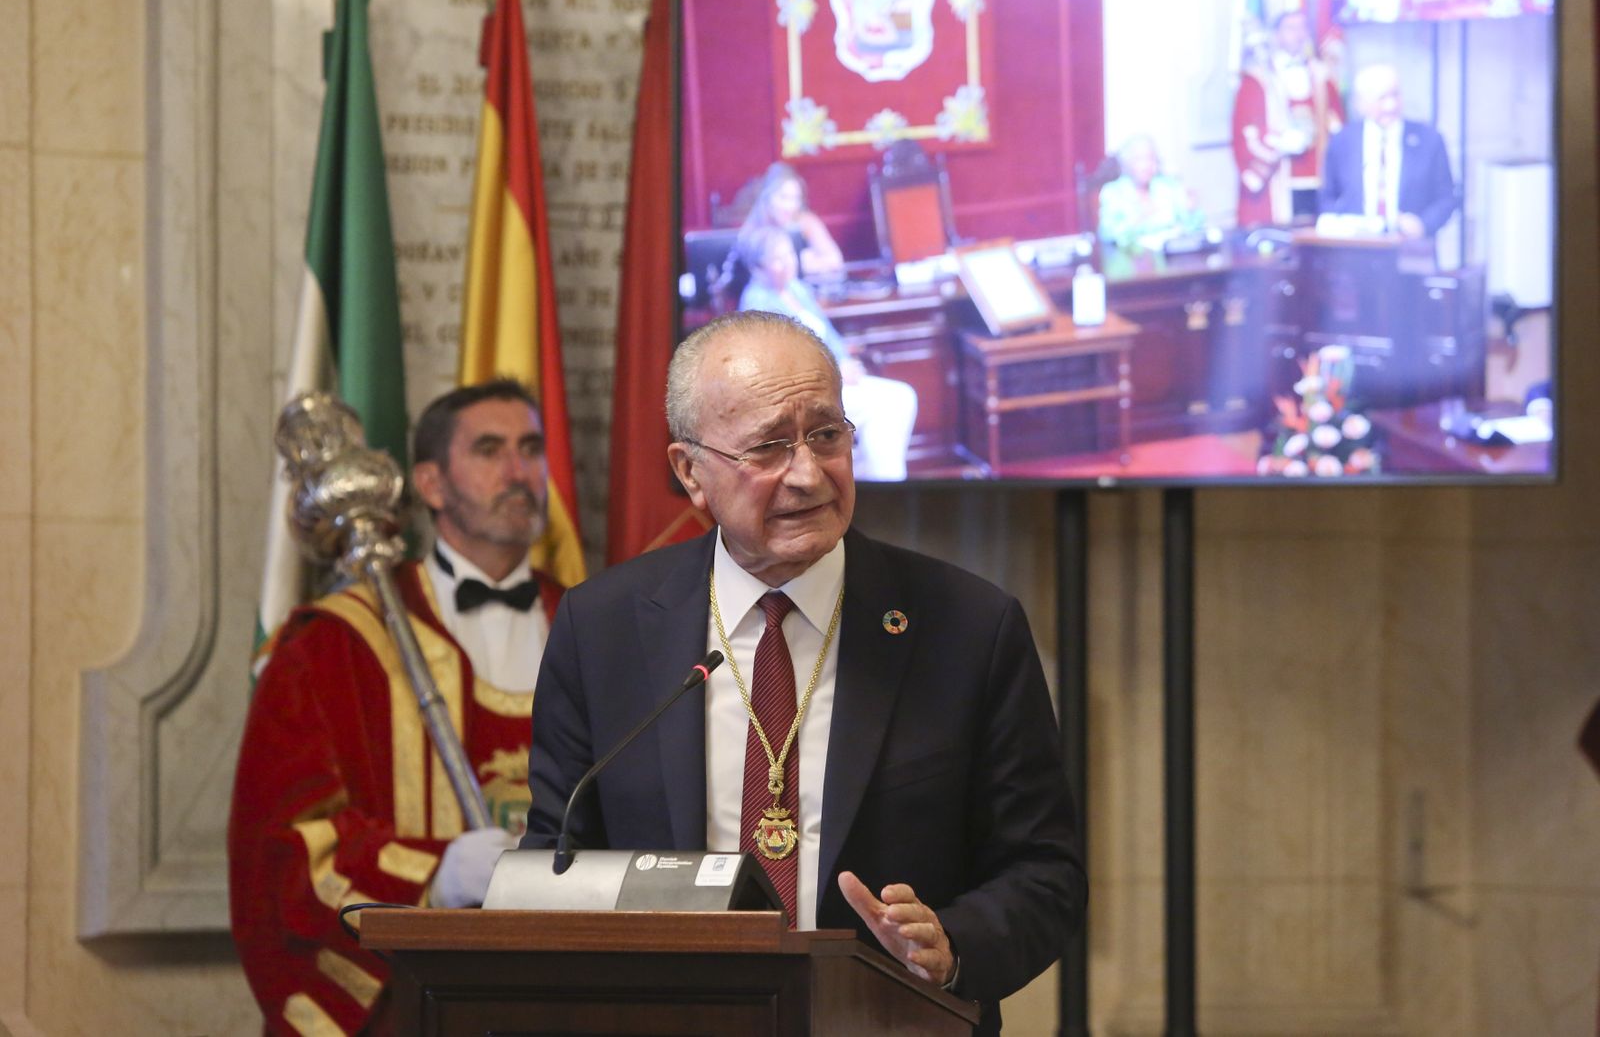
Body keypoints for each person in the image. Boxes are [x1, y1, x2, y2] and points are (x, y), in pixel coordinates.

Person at [523, 310, 1085, 1036]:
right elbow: (556, 863)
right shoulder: (602, 630)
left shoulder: (969, 628)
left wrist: (951, 946)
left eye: (826, 435)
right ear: (690, 472)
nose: (808, 474)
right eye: (768, 447)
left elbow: (1046, 873)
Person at [229, 379, 564, 1035]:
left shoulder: (600, 623)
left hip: (572, 994)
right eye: (490, 450)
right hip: (415, 1008)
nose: (519, 471)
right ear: (431, 485)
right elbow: (280, 851)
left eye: (531, 448)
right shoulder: (337, 644)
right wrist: (436, 873)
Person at [739, 225, 917, 481]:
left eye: (790, 254)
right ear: (757, 268)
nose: (788, 263)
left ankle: (876, 477)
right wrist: (835, 372)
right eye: (777, 259)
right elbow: (785, 364)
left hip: (832, 378)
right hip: (803, 394)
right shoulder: (757, 303)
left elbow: (830, 335)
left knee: (903, 396)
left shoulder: (796, 288)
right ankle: (885, 483)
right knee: (888, 405)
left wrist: (845, 361)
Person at [1232, 10, 1345, 227]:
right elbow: (1245, 129)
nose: (1298, 34)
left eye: (1302, 27)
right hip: (1279, 179)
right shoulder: (1257, 79)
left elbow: (1338, 122)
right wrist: (1279, 142)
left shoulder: (1323, 76)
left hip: (1316, 175)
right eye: (1290, 28)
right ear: (1276, 35)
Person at [1320, 63, 1457, 238]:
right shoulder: (1341, 141)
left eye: (1395, 95)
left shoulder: (1429, 139)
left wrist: (1423, 225)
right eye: (1382, 98)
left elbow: (1446, 198)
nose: (1391, 106)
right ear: (1360, 103)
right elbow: (1327, 199)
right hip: (1356, 248)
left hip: (1411, 251)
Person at [1097, 134, 1206, 250]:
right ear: (1126, 163)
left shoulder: (1167, 186)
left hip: (1171, 256)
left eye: (1151, 158)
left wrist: (1191, 211)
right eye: (1139, 159)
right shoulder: (1112, 192)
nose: (1147, 165)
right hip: (1131, 259)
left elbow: (1193, 227)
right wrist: (1138, 220)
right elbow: (1106, 235)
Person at [737, 161, 845, 277]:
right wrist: (799, 260)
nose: (790, 206)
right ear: (768, 199)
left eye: (795, 198)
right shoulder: (755, 227)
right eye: (784, 197)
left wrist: (800, 263)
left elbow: (835, 260)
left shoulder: (806, 221)